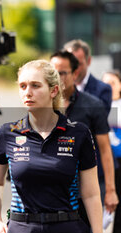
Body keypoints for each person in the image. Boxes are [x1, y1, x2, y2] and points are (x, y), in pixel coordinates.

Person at [0, 60, 102, 233]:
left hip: (66, 225)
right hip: (22, 226)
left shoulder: (78, 133)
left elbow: (91, 193)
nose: (28, 92)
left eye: (35, 86)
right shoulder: (7, 133)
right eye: (23, 86)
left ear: (53, 90)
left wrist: (98, 231)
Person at [50, 51, 118, 228]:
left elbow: (104, 149)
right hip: (52, 192)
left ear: (75, 74)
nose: (57, 77)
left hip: (86, 191)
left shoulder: (93, 105)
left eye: (62, 72)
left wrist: (110, 190)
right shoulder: (42, 105)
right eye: (52, 72)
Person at [64, 39, 112, 114]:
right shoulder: (59, 89)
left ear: (88, 61)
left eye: (78, 64)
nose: (74, 69)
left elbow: (99, 120)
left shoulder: (103, 89)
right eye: (70, 64)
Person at [102, 70, 121, 233]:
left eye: (113, 83)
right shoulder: (97, 106)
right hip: (102, 163)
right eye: (105, 84)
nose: (109, 87)